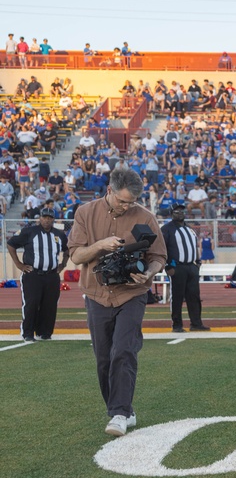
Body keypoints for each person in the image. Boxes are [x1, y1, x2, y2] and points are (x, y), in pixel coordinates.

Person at [67, 165, 167, 437]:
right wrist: (101, 245)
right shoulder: (85, 213)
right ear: (109, 191)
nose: (126, 206)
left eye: (131, 202)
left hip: (132, 293)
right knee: (103, 358)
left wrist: (148, 272)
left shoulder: (146, 217)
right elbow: (76, 256)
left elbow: (159, 256)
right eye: (122, 201)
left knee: (124, 350)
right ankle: (124, 409)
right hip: (97, 294)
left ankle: (119, 414)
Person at [6, 207, 68, 342]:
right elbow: (11, 244)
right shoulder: (29, 232)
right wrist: (19, 264)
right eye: (44, 217)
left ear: (53, 219)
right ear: (40, 218)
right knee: (31, 303)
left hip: (52, 275)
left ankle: (45, 332)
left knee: (50, 304)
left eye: (50, 218)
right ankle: (28, 333)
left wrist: (63, 264)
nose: (47, 220)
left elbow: (67, 248)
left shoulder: (59, 234)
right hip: (33, 274)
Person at [160, 204, 210, 334]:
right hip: (177, 267)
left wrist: (197, 263)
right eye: (176, 211)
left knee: (194, 296)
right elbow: (162, 248)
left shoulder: (189, 229)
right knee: (177, 297)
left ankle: (196, 323)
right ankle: (177, 325)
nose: (180, 213)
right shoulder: (166, 229)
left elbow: (194, 246)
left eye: (182, 210)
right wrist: (168, 266)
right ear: (171, 213)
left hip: (191, 267)